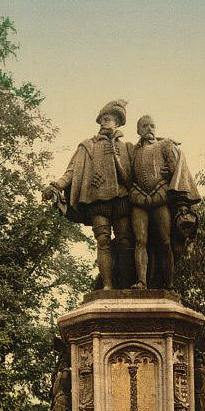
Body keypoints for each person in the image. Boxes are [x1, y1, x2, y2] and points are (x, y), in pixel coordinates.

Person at [43, 99, 133, 289]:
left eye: (107, 119)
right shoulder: (87, 146)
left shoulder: (126, 147)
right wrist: (56, 186)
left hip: (121, 200)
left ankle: (125, 286)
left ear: (117, 122)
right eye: (101, 120)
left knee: (125, 241)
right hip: (97, 200)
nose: (102, 123)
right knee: (103, 240)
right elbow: (71, 171)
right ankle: (107, 286)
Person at [129, 114, 200, 289]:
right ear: (138, 130)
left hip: (161, 197)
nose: (149, 129)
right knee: (140, 240)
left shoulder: (165, 146)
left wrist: (182, 203)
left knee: (165, 241)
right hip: (138, 199)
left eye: (152, 125)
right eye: (144, 126)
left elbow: (177, 172)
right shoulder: (132, 151)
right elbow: (127, 174)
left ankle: (169, 284)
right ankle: (141, 281)